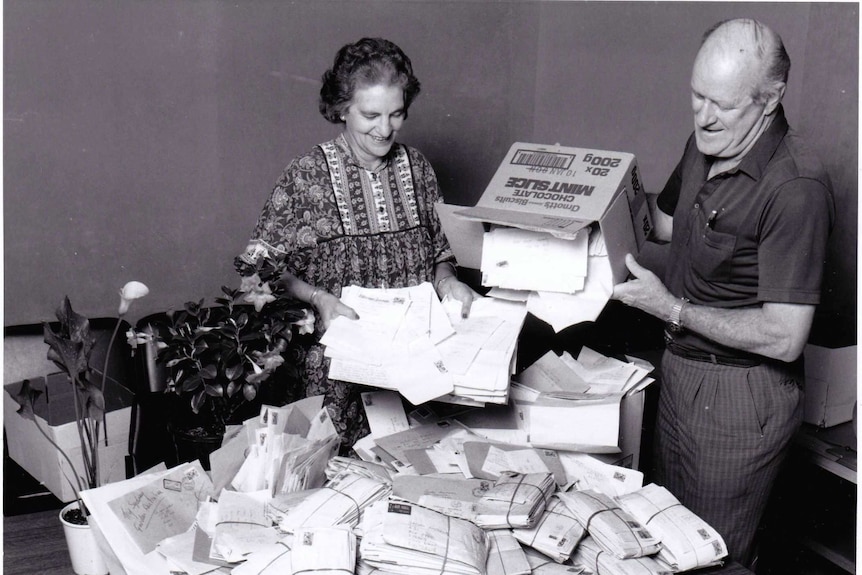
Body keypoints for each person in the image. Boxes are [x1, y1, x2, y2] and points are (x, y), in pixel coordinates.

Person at [611, 19, 834, 566]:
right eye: (696, 96)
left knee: (713, 557)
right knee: (666, 544)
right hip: (681, 370)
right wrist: (590, 193)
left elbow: (785, 338)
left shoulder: (796, 187)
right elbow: (664, 224)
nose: (703, 116)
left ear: (771, 98)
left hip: (741, 395)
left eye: (723, 105)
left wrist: (670, 308)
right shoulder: (706, 143)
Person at [238, 37, 476, 453]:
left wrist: (447, 282)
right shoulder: (306, 174)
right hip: (337, 372)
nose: (385, 129)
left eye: (396, 114)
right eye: (370, 115)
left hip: (415, 365)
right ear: (341, 108)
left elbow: (441, 252)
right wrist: (318, 298)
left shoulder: (417, 168)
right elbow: (259, 270)